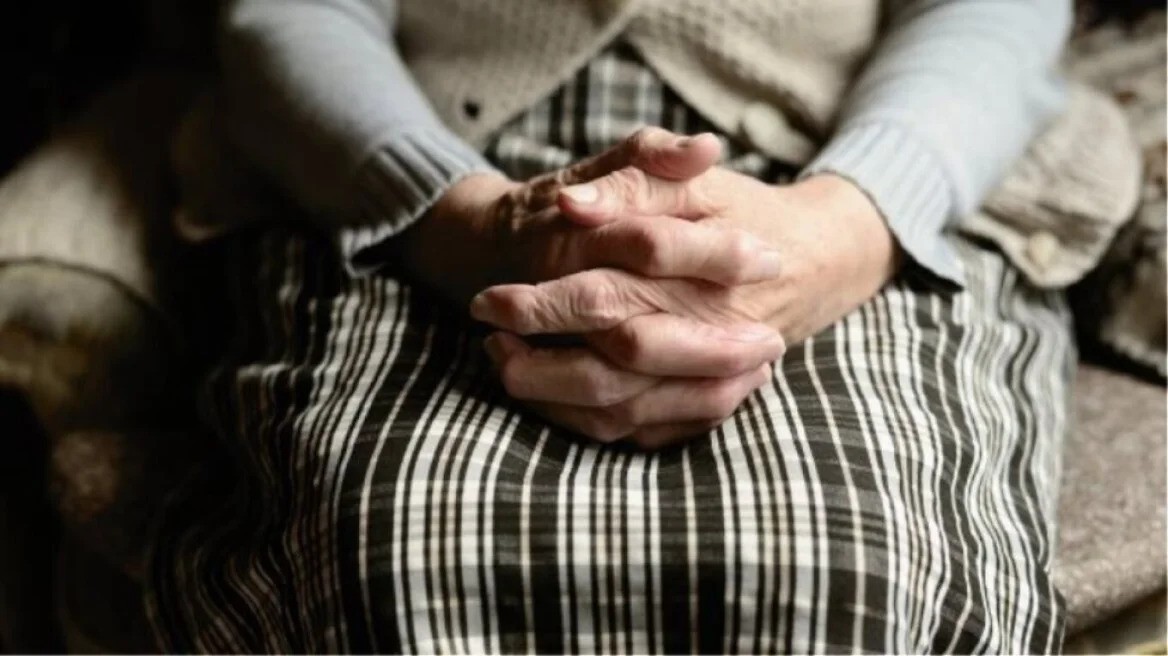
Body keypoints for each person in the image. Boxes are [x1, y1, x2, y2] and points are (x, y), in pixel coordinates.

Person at [147, 0, 1091, 651]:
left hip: (848, 170)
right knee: (385, 562)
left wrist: (841, 228)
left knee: (858, 570)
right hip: (423, 173)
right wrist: (465, 223)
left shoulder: (851, 202)